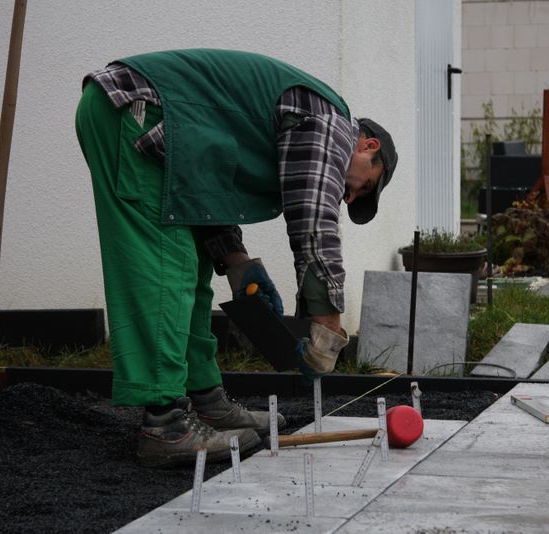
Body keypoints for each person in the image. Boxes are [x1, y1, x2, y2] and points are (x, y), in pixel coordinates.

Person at [75, 49, 397, 467]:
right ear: (368, 146)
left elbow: (207, 185)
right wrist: (328, 322)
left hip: (162, 127)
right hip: (136, 109)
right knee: (165, 269)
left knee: (190, 270)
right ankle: (165, 425)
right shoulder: (332, 123)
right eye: (364, 186)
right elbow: (314, 222)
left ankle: (207, 401)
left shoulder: (306, 115)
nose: (349, 197)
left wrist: (236, 260)